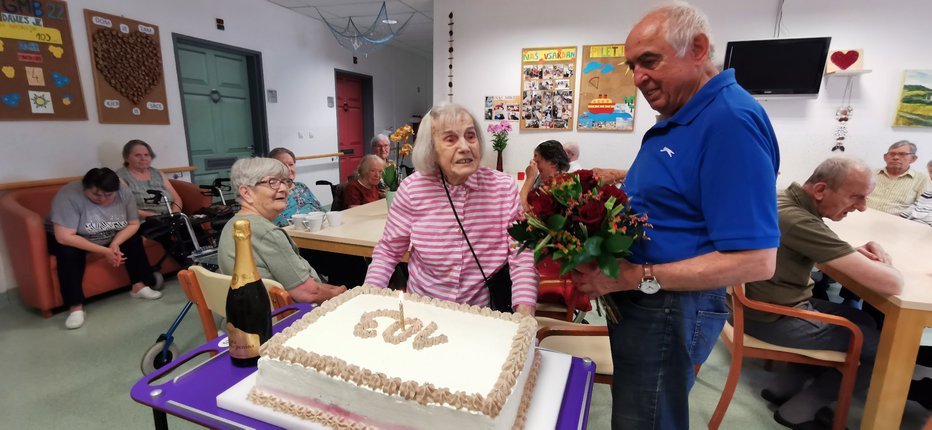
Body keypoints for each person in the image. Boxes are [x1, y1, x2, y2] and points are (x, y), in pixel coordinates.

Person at [570, 4, 781, 429]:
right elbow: (690, 182)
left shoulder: (729, 121)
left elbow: (756, 260)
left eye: (649, 61)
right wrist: (626, 178)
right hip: (652, 301)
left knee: (645, 420)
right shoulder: (688, 113)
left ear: (698, 49)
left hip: (671, 307)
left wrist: (635, 275)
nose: (638, 77)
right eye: (632, 65)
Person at [742, 157, 903, 427]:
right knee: (888, 349)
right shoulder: (799, 221)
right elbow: (892, 284)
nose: (862, 207)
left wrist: (849, 252)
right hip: (770, 316)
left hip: (755, 304)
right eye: (856, 197)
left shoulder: (782, 200)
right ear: (820, 190)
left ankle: (784, 387)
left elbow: (807, 242)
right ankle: (800, 410)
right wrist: (885, 259)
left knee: (863, 320)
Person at [364, 103, 539, 315]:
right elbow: (389, 251)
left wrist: (525, 314)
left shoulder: (503, 187)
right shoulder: (412, 190)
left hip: (483, 315)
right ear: (432, 150)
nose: (465, 146)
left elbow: (521, 254)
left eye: (470, 136)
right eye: (450, 139)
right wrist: (369, 299)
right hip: (424, 311)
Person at [217, 158, 346, 304]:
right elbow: (309, 293)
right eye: (273, 182)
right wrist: (342, 293)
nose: (284, 189)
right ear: (247, 193)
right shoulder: (267, 233)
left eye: (285, 182)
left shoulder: (232, 225)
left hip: (244, 316)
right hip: (281, 319)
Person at [47, 168, 162, 329]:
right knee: (67, 252)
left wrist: (114, 244)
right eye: (96, 194)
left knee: (133, 240)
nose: (102, 199)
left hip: (107, 233)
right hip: (74, 237)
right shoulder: (68, 196)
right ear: (84, 188)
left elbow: (133, 224)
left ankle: (139, 286)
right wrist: (105, 251)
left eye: (108, 195)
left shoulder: (123, 192)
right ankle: (75, 306)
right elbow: (64, 237)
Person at [115, 140, 193, 266]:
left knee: (193, 226)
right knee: (166, 233)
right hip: (144, 220)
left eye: (146, 155)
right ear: (127, 157)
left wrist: (174, 213)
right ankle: (190, 267)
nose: (143, 158)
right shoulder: (120, 177)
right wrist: (152, 216)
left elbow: (176, 198)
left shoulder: (158, 173)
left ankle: (205, 262)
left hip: (169, 215)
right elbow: (125, 207)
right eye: (138, 155)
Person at [865, 140, 931, 215]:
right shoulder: (870, 174)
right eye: (892, 154)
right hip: (863, 217)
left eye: (902, 154)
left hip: (898, 223)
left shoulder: (922, 179)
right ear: (885, 157)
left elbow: (924, 208)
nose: (895, 157)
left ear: (913, 158)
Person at [268, 147, 323, 227]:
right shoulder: (270, 193)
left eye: (291, 164)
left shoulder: (301, 187)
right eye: (282, 165)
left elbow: (321, 211)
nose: (288, 169)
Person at [520, 140, 569, 212]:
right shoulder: (542, 179)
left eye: (537, 160)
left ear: (553, 163)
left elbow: (520, 211)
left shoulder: (561, 187)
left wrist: (529, 178)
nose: (533, 163)